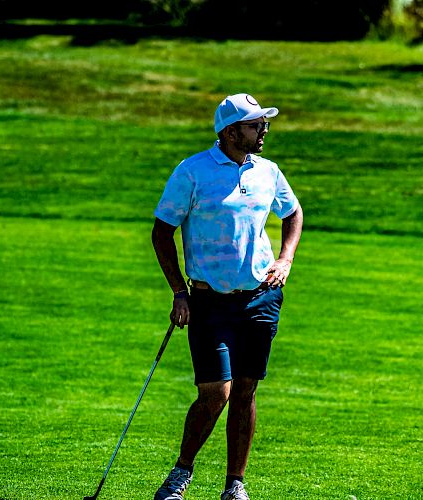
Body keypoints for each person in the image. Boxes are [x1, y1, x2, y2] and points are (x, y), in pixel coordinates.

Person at [151, 93, 303, 500]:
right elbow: (161, 232)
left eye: (263, 124)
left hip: (260, 298)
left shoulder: (268, 172)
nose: (264, 131)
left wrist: (285, 259)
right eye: (256, 125)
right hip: (208, 301)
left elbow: (292, 212)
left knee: (247, 389)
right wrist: (179, 293)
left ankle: (234, 484)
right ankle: (181, 473)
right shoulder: (192, 172)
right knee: (217, 391)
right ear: (231, 131)